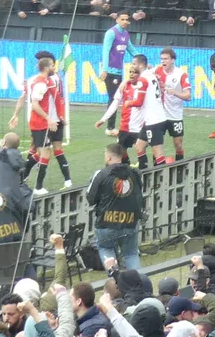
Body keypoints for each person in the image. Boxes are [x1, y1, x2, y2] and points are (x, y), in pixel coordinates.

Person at [12, 50, 72, 194]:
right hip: (43, 120)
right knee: (42, 151)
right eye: (52, 64)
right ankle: (30, 181)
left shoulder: (39, 79)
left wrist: (16, 114)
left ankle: (25, 177)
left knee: (42, 150)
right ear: (46, 65)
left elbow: (23, 98)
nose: (54, 66)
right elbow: (38, 102)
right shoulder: (47, 80)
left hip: (50, 120)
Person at [85, 142, 142, 270]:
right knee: (131, 255)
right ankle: (139, 285)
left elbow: (90, 199)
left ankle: (116, 283)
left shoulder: (101, 174)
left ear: (109, 157)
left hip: (106, 223)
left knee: (106, 249)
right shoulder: (135, 173)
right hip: (130, 221)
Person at [141, 46, 191, 167]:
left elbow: (188, 96)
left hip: (175, 115)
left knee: (178, 144)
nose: (163, 61)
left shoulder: (181, 74)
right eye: (162, 59)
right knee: (156, 144)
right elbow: (143, 74)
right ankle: (155, 168)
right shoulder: (157, 70)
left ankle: (180, 167)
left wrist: (175, 92)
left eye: (166, 59)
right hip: (159, 116)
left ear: (173, 60)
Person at [108, 56, 152, 164]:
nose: (131, 74)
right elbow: (115, 102)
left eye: (134, 71)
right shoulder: (125, 86)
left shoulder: (145, 83)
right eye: (130, 72)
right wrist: (104, 119)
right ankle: (126, 169)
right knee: (121, 150)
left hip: (139, 125)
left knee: (141, 149)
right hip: (125, 125)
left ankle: (144, 172)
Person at [99, 14, 135, 129]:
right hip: (110, 71)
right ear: (117, 20)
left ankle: (114, 126)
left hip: (119, 71)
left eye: (127, 20)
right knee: (114, 97)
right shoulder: (111, 33)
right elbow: (106, 51)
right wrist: (105, 69)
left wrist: (142, 59)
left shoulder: (125, 34)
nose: (125, 22)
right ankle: (110, 127)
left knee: (117, 97)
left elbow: (131, 49)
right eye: (122, 19)